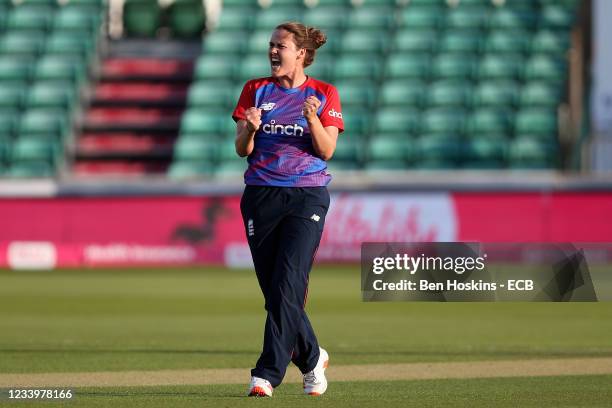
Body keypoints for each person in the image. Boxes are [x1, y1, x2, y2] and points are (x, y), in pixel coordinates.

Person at [231, 21, 344, 397]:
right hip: (261, 196)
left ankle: (266, 374)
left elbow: (327, 150)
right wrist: (249, 128)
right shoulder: (255, 89)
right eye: (271, 45)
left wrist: (312, 118)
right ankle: (312, 359)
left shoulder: (324, 92)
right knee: (275, 291)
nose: (273, 51)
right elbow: (242, 150)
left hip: (306, 196)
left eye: (281, 46)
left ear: (302, 53)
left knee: (289, 282)